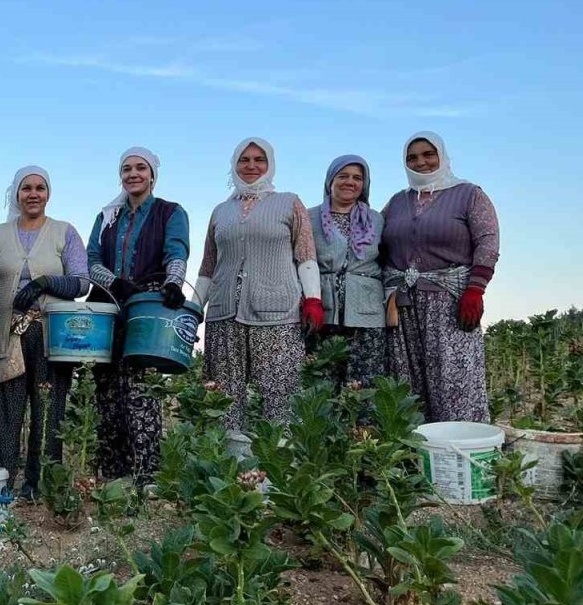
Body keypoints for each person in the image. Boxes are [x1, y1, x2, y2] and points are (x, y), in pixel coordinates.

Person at [195, 138, 323, 431]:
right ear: (234, 165)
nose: (251, 166)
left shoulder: (288, 202)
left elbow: (305, 255)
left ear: (270, 165)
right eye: (244, 160)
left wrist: (313, 300)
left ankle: (281, 465)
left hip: (277, 313)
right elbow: (208, 266)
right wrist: (193, 309)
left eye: (259, 160)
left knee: (280, 392)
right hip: (223, 314)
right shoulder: (220, 211)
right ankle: (229, 464)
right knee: (224, 398)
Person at [85, 147, 190, 485]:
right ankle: (113, 474)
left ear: (152, 175)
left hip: (146, 308)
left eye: (140, 168)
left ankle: (146, 475)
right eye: (127, 168)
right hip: (107, 307)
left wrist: (173, 283)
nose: (133, 174)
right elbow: (92, 259)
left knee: (140, 389)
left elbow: (177, 250)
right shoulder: (108, 216)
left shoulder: (170, 212)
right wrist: (114, 282)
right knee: (107, 389)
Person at [0, 166, 89, 499]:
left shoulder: (64, 232)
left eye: (40, 188)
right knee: (8, 411)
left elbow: (83, 282)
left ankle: (41, 485)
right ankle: (2, 485)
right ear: (16, 194)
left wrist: (47, 283)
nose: (33, 194)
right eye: (26, 188)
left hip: (50, 335)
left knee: (48, 409)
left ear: (48, 194)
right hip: (7, 334)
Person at [381, 131, 499, 423]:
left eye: (428, 154)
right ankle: (413, 459)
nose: (421, 162)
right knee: (408, 385)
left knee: (454, 381)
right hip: (404, 307)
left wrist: (475, 290)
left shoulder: (469, 194)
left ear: (442, 156)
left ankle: (462, 452)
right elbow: (377, 244)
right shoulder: (397, 202)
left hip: (448, 304)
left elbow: (488, 241)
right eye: (412, 157)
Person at [307, 155, 386, 386]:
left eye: (357, 178)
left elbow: (388, 261)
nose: (350, 182)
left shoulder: (377, 220)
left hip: (367, 314)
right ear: (330, 180)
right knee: (321, 384)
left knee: (363, 386)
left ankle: (362, 425)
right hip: (322, 313)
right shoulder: (308, 217)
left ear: (364, 184)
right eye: (343, 176)